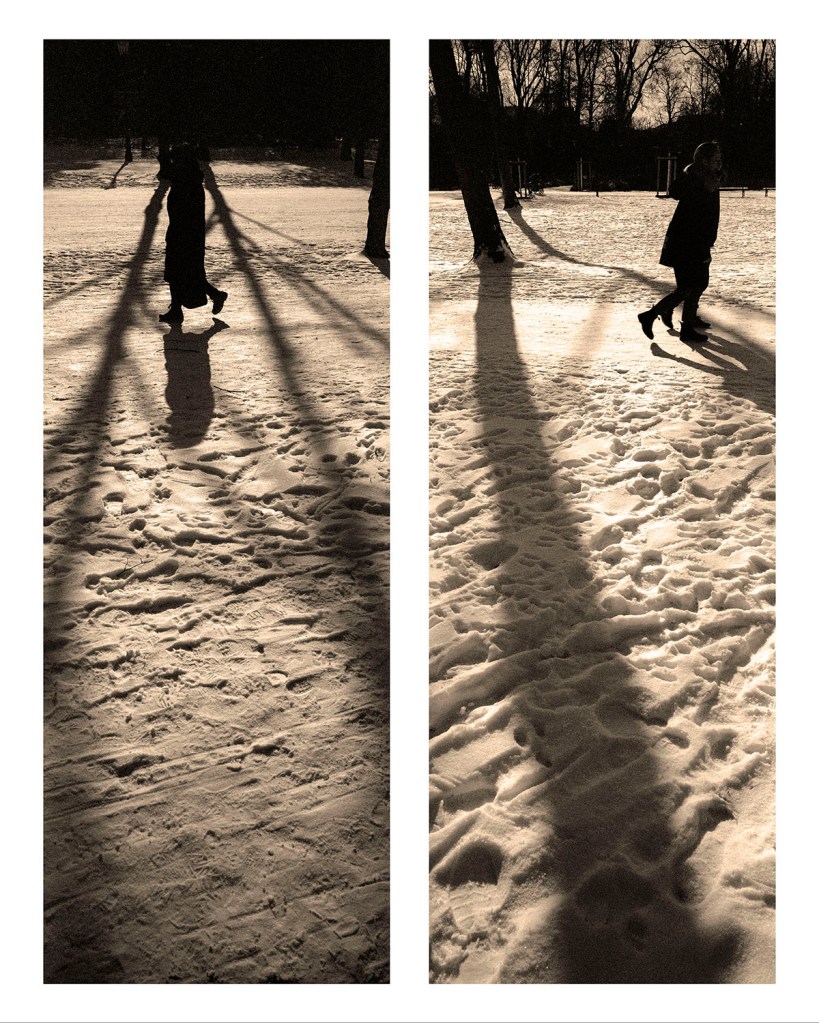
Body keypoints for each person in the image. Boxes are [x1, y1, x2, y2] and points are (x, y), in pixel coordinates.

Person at [638, 141, 722, 345]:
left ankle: (684, 319)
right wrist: (703, 242)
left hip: (695, 240)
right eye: (716, 158)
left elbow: (710, 214)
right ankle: (657, 317)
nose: (719, 162)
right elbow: (683, 200)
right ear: (704, 160)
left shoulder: (709, 180)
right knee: (691, 285)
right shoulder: (695, 180)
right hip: (687, 242)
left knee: (696, 284)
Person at [159, 143, 227, 324]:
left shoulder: (186, 178)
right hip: (183, 232)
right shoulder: (188, 176)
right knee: (181, 273)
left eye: (176, 159)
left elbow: (183, 207)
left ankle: (180, 309)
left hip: (185, 234)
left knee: (182, 272)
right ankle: (179, 309)